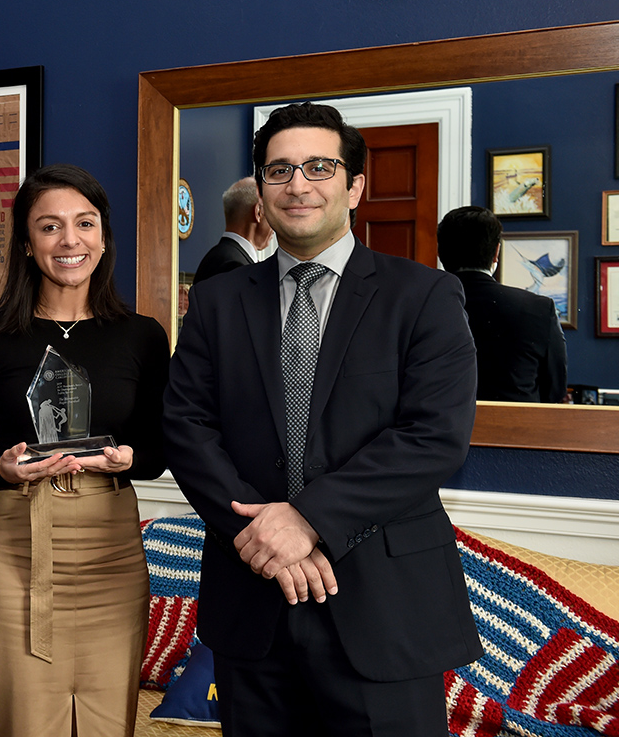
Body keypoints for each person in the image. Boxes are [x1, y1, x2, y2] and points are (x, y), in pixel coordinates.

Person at [163, 102, 482, 736]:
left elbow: (433, 437)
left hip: (384, 610)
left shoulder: (423, 296)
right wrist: (263, 539)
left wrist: (307, 519)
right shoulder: (217, 301)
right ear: (261, 192)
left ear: (354, 186)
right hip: (252, 602)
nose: (298, 185)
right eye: (279, 170)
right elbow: (186, 427)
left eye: (319, 167)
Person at [0, 164, 169, 737]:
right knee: (22, 721)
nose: (70, 240)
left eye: (85, 223)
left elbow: (159, 449)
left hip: (111, 555)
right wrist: (1, 470)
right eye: (50, 227)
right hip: (17, 551)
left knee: (106, 724)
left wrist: (130, 459)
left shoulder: (144, 336)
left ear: (104, 236)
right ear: (27, 243)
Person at [437, 205, 568, 403]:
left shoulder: (418, 308)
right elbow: (555, 391)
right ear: (496, 252)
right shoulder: (540, 308)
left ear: (440, 252)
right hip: (518, 421)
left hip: (441, 422)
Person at [194, 176, 275, 283]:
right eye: (271, 212)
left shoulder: (220, 257)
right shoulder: (234, 267)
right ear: (258, 212)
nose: (275, 224)